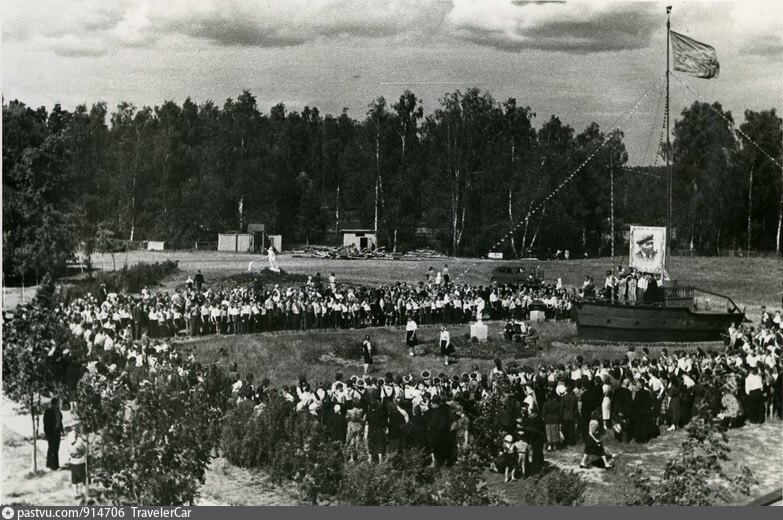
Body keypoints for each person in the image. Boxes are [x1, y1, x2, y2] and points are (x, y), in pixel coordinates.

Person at [43, 397, 64, 470]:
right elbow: (46, 423)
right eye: (57, 403)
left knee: (55, 448)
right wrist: (49, 433)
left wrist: (62, 429)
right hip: (51, 432)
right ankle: (54, 466)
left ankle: (49, 464)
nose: (58, 404)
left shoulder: (58, 411)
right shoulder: (48, 411)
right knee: (53, 448)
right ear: (53, 404)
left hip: (57, 431)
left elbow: (60, 421)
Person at [67, 423, 87, 499]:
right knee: (83, 476)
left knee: (75, 477)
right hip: (79, 460)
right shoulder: (79, 439)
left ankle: (77, 492)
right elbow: (84, 448)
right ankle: (83, 492)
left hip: (74, 461)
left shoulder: (70, 438)